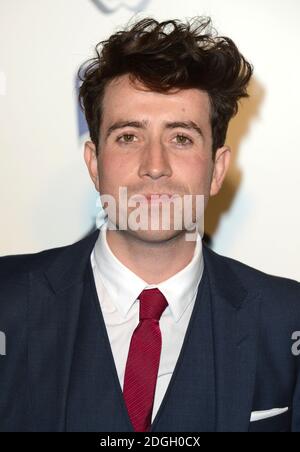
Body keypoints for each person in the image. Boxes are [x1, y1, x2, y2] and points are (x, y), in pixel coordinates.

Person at [0, 17, 299, 433]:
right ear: (94, 163)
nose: (154, 166)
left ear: (216, 169)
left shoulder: (288, 319)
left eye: (181, 137)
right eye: (128, 136)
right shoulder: (6, 301)